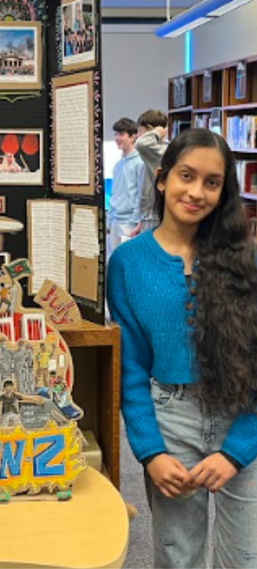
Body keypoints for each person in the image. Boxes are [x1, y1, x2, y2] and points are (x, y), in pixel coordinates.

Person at [108, 128, 257, 568]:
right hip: (169, 420)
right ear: (162, 179)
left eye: (212, 182)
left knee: (245, 558)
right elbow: (131, 368)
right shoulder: (128, 263)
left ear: (223, 192)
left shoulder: (247, 260)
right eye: (186, 176)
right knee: (177, 558)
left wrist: (239, 448)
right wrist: (150, 452)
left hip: (242, 415)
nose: (196, 192)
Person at [108, 117, 144, 257]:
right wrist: (109, 221)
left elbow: (141, 194)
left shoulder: (140, 163)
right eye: (116, 134)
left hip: (129, 224)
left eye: (121, 134)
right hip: (115, 222)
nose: (117, 138)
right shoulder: (118, 165)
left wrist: (137, 222)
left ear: (133, 137)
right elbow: (114, 194)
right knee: (113, 262)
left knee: (128, 263)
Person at [133, 109, 170, 236]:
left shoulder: (160, 150)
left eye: (139, 131)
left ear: (150, 130)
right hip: (148, 216)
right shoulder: (153, 151)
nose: (138, 136)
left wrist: (157, 132)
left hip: (154, 217)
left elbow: (140, 144)